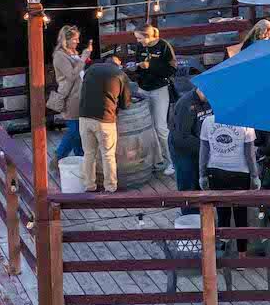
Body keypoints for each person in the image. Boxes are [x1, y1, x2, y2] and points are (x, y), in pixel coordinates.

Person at [199, 111, 259, 250]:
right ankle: (241, 255)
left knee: (222, 213)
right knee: (241, 215)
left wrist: (202, 175)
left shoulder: (207, 121)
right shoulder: (245, 122)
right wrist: (255, 176)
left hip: (215, 170)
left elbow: (204, 151)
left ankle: (223, 250)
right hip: (240, 173)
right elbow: (250, 154)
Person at [128, 22, 177, 175]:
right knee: (148, 127)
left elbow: (172, 69)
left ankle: (173, 162)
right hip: (143, 89)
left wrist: (150, 66)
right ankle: (158, 159)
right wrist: (135, 68)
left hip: (159, 89)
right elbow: (139, 65)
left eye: (140, 38)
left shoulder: (163, 46)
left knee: (161, 127)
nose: (138, 42)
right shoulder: (141, 47)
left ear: (148, 36)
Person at [78, 54, 131, 193]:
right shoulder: (120, 74)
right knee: (107, 154)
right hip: (105, 120)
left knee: (88, 154)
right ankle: (110, 187)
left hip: (84, 117)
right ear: (117, 64)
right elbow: (125, 104)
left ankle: (89, 186)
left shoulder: (91, 69)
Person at [48, 25, 89, 162]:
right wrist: (83, 59)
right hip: (70, 97)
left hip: (80, 96)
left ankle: (80, 159)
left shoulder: (73, 52)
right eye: (75, 39)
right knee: (74, 130)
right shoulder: (60, 56)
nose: (78, 41)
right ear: (66, 40)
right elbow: (71, 76)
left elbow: (79, 73)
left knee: (79, 131)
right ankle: (59, 156)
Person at [167, 85, 209, 191]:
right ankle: (189, 207)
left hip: (200, 143)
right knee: (188, 185)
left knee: (201, 183)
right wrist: (206, 147)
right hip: (182, 148)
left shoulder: (212, 100)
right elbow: (181, 138)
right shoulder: (185, 104)